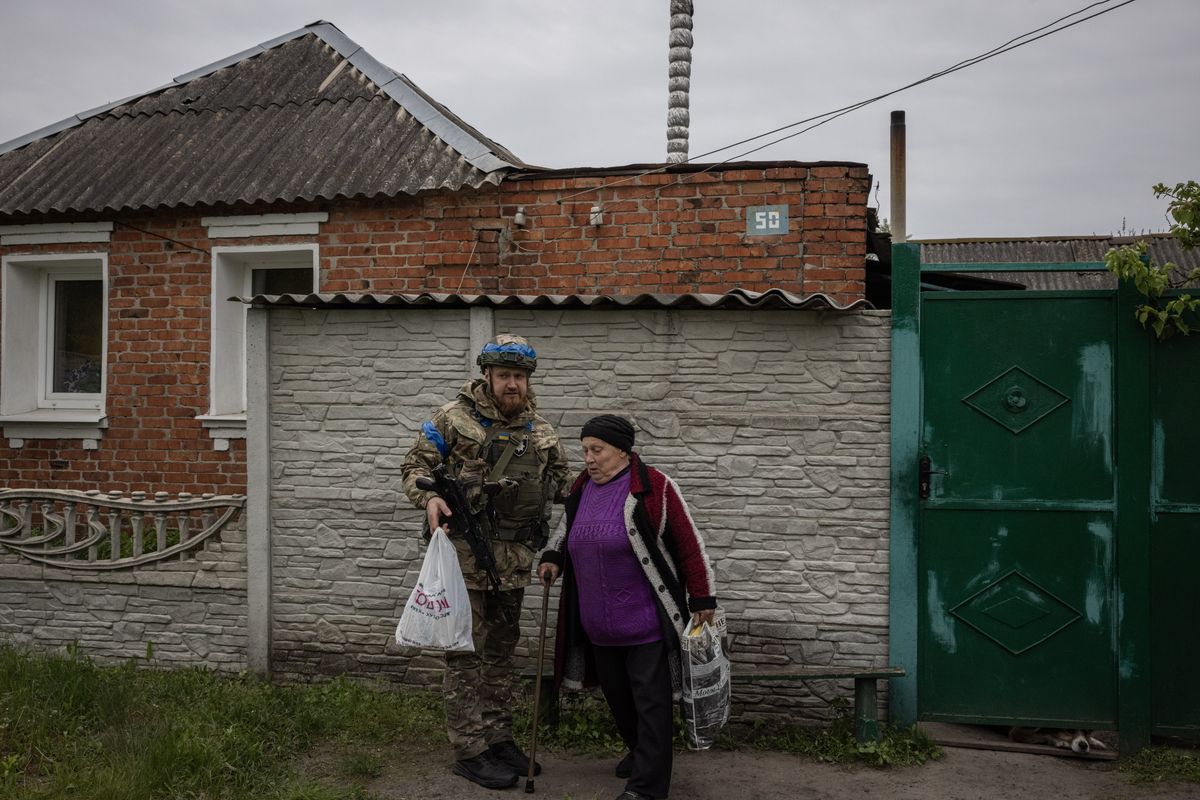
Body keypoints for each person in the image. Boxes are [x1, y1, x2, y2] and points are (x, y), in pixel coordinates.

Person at [402, 334, 570, 790]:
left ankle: (498, 738)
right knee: (465, 655)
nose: (512, 384)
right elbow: (414, 467)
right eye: (504, 376)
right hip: (465, 559)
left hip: (515, 561)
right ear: (487, 377)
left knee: (501, 653)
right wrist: (431, 497)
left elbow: (563, 485)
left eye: (519, 376)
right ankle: (470, 749)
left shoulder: (541, 431)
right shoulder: (452, 419)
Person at [537, 415, 717, 800]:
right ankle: (641, 754)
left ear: (621, 449)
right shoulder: (581, 489)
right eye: (585, 450)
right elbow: (566, 530)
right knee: (619, 701)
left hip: (644, 623)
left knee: (651, 706)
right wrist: (552, 556)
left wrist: (701, 596)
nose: (589, 458)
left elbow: (688, 544)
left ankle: (646, 789)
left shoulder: (653, 489)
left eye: (597, 450)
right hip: (598, 625)